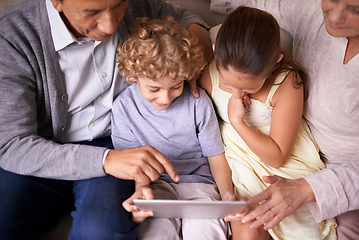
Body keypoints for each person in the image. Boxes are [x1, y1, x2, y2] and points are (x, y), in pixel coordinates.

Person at [0, 0, 213, 239]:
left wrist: (196, 60)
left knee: (102, 230)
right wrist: (105, 160)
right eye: (92, 12)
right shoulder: (11, 35)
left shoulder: (138, 7)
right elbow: (11, 144)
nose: (111, 25)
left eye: (119, 5)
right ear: (57, 2)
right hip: (41, 151)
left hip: (116, 144)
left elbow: (187, 19)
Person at [209, 0, 359, 239]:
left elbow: (279, 155)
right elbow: (266, 4)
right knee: (248, 226)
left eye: (356, 9)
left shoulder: (286, 85)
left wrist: (310, 188)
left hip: (337, 174)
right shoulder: (311, 13)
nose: (337, 16)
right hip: (256, 162)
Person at [111, 16, 236, 240]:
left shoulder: (198, 102)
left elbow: (216, 156)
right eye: (154, 88)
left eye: (176, 86)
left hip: (200, 186)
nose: (165, 98)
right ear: (133, 75)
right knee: (156, 233)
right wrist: (141, 191)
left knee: (206, 233)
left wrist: (227, 194)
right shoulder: (123, 108)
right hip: (155, 187)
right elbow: (132, 165)